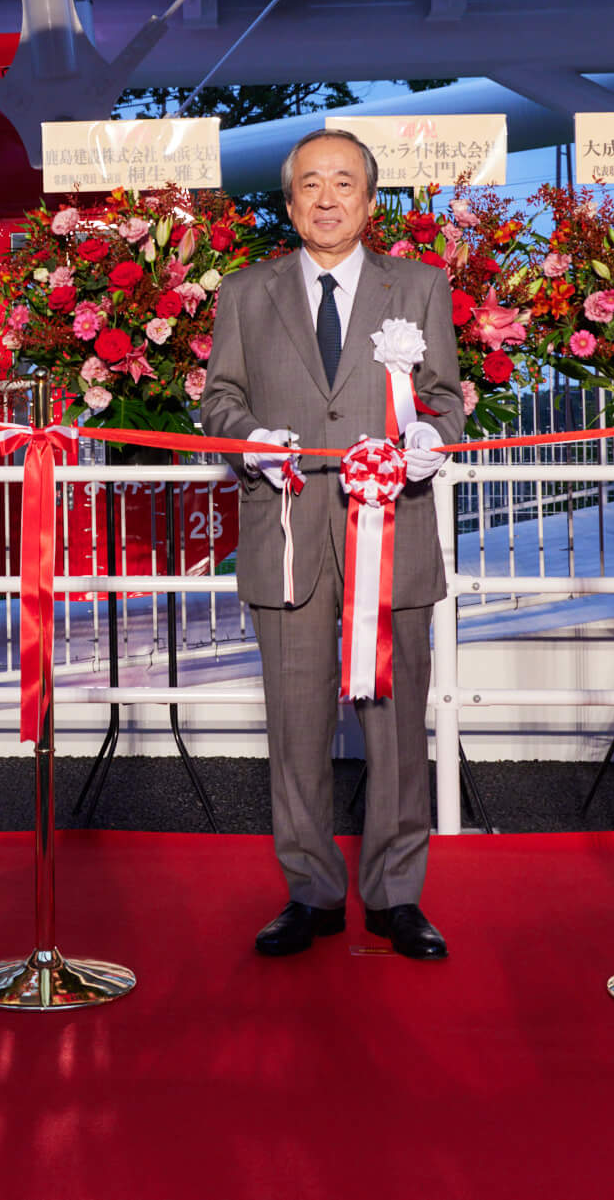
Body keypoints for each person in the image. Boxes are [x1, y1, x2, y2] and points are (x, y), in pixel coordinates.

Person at [201, 129, 462, 960]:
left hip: (394, 534)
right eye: (309, 183)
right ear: (288, 202)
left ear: (370, 200)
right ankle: (310, 890)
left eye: (343, 182)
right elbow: (219, 400)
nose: (326, 198)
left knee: (398, 727)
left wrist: (428, 438)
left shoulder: (418, 286)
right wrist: (250, 439)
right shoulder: (246, 292)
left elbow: (446, 398)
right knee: (294, 727)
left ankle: (396, 894)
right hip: (286, 537)